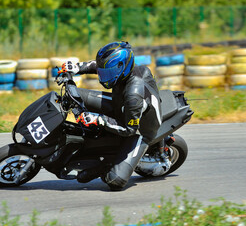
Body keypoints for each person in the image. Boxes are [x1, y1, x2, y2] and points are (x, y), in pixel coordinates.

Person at [58, 41, 171, 190]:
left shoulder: (134, 95)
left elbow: (128, 129)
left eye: (108, 73)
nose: (104, 77)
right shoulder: (125, 74)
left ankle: (106, 164)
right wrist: (78, 67)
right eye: (104, 72)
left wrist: (99, 119)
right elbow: (98, 66)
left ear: (122, 68)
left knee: (115, 181)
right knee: (73, 95)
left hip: (139, 131)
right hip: (121, 106)